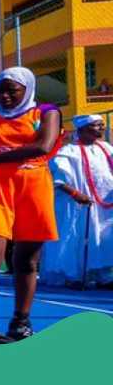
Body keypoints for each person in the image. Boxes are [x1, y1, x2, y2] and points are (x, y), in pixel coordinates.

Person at [0, 67, 62, 343]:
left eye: (13, 90)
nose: (6, 95)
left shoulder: (46, 112)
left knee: (27, 261)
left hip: (33, 188)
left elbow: (44, 147)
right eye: (1, 90)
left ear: (27, 89)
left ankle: (20, 322)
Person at [43, 115, 113, 287]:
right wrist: (75, 194)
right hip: (77, 205)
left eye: (102, 125)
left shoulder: (107, 148)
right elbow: (58, 181)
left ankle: (102, 275)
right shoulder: (68, 152)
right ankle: (72, 275)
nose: (102, 129)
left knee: (103, 238)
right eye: (97, 125)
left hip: (105, 206)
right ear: (82, 129)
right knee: (76, 237)